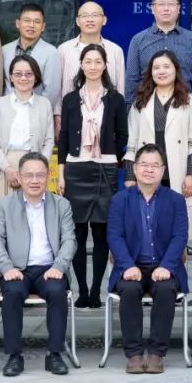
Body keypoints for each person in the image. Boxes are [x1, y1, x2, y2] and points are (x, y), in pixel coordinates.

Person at [0, 152, 77, 377]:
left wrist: (59, 266)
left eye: (40, 175)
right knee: (12, 294)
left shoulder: (62, 205)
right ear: (19, 177)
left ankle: (55, 354)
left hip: (49, 268)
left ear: (48, 176)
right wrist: (6, 267)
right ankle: (14, 355)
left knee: (57, 291)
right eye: (29, 175)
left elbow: (69, 240)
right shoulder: (4, 205)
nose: (34, 180)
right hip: (16, 269)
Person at [107, 144, 190, 374]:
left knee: (165, 289)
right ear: (135, 168)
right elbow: (114, 236)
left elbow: (180, 236)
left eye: (155, 165)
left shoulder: (175, 200)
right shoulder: (120, 200)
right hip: (131, 266)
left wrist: (166, 266)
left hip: (163, 266)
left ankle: (156, 353)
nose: (149, 170)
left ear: (163, 170)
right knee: (129, 289)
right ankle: (134, 353)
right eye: (144, 165)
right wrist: (127, 265)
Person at [57, 43, 128, 309]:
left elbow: (123, 135)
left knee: (101, 233)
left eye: (98, 61)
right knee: (76, 233)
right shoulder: (70, 99)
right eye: (88, 61)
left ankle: (96, 290)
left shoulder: (116, 99)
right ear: (81, 65)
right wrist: (61, 174)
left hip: (104, 168)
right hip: (76, 168)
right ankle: (82, 290)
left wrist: (109, 156)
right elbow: (64, 138)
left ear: (105, 65)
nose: (93, 66)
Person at [0, 54, 56, 272]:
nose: (23, 78)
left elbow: (49, 140)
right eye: (18, 74)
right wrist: (7, 168)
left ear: (36, 77)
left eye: (29, 74)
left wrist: (38, 168)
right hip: (4, 167)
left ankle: (31, 270)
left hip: (34, 167)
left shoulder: (44, 104)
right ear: (11, 77)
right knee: (0, 222)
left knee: (32, 220)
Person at [123, 50, 192, 241]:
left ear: (176, 70)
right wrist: (129, 176)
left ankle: (179, 262)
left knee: (178, 232)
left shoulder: (190, 100)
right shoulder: (140, 101)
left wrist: (191, 174)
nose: (161, 71)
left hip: (178, 173)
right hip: (148, 172)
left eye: (166, 67)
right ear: (150, 72)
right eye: (156, 67)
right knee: (149, 230)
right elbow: (132, 144)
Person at [125, 0, 192, 101]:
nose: (166, 8)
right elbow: (132, 80)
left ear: (178, 8)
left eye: (171, 4)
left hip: (185, 104)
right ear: (152, 8)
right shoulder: (138, 40)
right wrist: (131, 107)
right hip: (147, 104)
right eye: (161, 4)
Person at [5, 2, 65, 130]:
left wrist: (38, 113)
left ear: (43, 27)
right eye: (27, 20)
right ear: (18, 23)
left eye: (37, 22)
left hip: (36, 117)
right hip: (8, 114)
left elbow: (52, 90)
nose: (31, 25)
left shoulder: (51, 52)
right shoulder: (4, 50)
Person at [57, 0, 125, 100]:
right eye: (85, 15)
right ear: (77, 21)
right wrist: (59, 109)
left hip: (107, 107)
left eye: (95, 15)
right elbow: (57, 88)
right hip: (71, 108)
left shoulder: (115, 50)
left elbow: (120, 87)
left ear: (104, 20)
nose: (90, 19)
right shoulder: (63, 50)